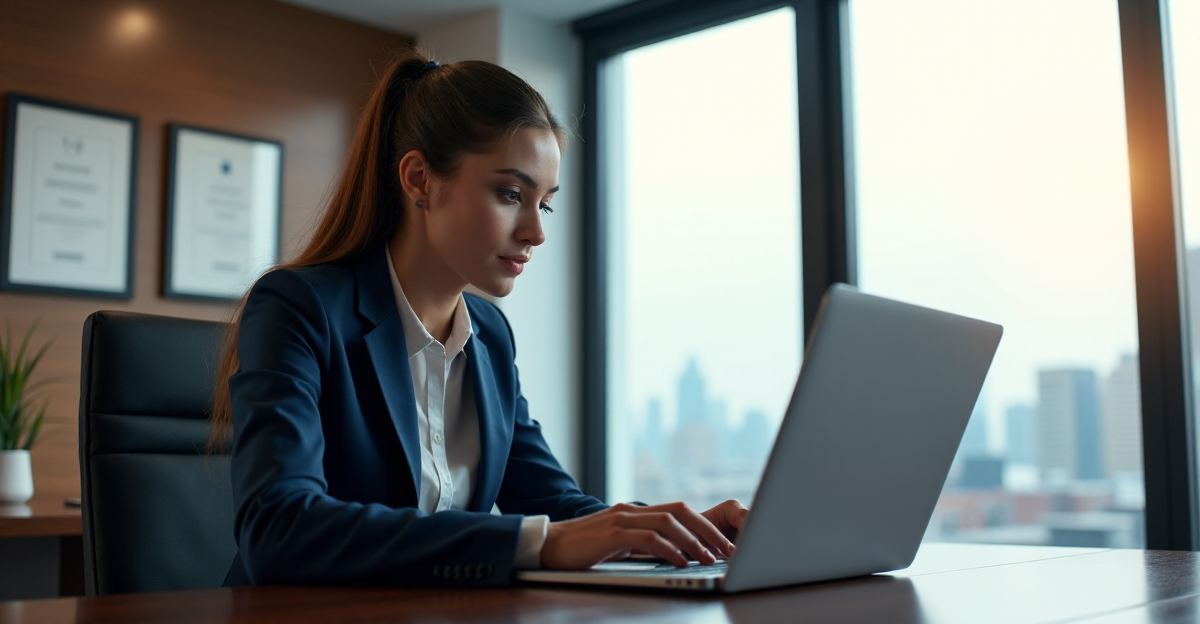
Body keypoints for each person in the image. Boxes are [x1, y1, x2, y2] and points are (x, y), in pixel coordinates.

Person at [211, 49, 749, 587]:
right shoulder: (298, 308)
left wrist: (675, 534)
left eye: (546, 204)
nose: (536, 233)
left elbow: (552, 501)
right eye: (511, 194)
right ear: (420, 179)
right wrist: (535, 542)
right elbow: (278, 529)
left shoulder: (489, 336)